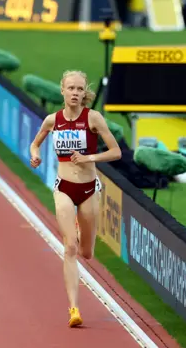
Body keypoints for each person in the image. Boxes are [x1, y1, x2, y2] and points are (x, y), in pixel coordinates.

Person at [29, 70, 122, 328]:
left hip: (89, 189)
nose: (75, 93)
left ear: (84, 93)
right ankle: (74, 309)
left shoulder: (93, 118)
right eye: (71, 88)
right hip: (64, 188)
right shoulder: (52, 120)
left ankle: (81, 233)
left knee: (87, 252)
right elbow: (35, 144)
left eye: (80, 89)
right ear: (62, 90)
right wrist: (35, 156)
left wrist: (89, 158)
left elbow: (116, 152)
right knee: (70, 247)